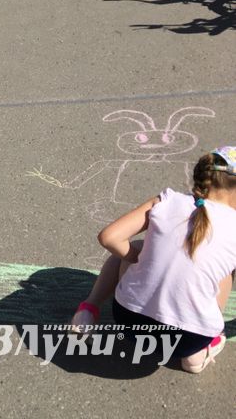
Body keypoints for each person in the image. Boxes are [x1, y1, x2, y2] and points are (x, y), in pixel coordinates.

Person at [69, 148, 236, 373]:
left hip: (129, 321)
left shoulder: (168, 200)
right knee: (225, 271)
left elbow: (109, 237)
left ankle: (87, 313)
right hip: (190, 338)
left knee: (137, 247)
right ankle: (196, 357)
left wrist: (139, 258)